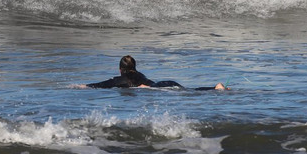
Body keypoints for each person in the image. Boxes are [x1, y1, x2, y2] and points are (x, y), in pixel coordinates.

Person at [75, 55, 227, 91]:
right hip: (164, 83)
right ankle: (215, 88)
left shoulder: (118, 80)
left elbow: (100, 85)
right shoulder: (139, 74)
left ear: (120, 69)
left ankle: (215, 89)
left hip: (157, 90)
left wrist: (83, 85)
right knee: (190, 91)